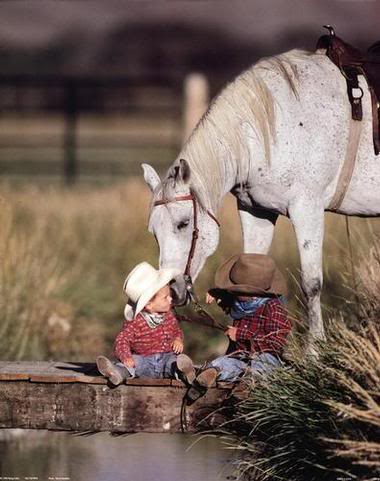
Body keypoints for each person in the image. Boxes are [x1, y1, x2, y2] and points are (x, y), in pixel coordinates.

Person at [190, 253, 292, 392]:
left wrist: (240, 334)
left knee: (261, 368)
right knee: (222, 363)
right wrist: (216, 293)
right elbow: (228, 299)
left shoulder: (273, 308)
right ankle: (210, 374)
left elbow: (275, 343)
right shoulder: (240, 303)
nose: (231, 292)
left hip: (265, 357)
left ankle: (249, 386)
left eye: (235, 290)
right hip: (239, 356)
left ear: (250, 293)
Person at [96, 262, 195, 386]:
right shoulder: (136, 322)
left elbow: (176, 331)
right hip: (144, 361)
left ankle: (186, 373)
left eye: (170, 296)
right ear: (148, 305)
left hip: (166, 358)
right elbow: (122, 340)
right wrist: (126, 356)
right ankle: (117, 373)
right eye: (165, 297)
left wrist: (178, 339)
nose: (170, 299)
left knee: (174, 362)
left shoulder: (169, 316)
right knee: (134, 363)